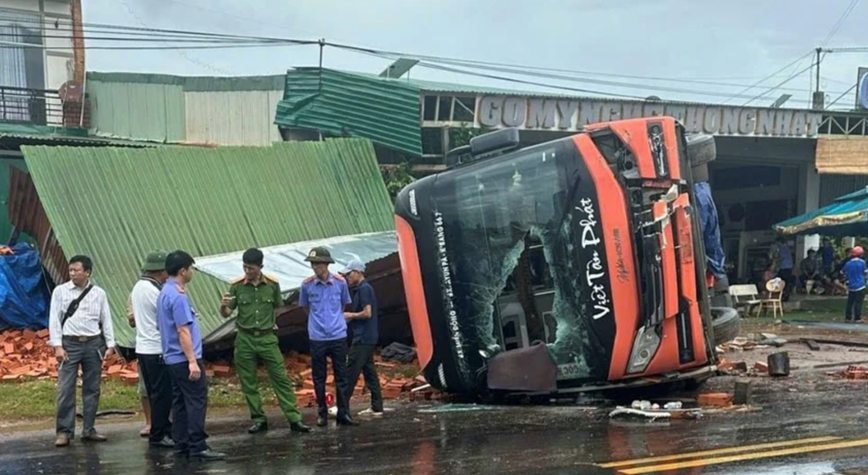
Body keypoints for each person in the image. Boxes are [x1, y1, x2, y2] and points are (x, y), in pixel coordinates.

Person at [219, 248, 311, 435]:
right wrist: (223, 307)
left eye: (251, 268)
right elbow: (227, 312)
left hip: (267, 337)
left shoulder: (272, 285)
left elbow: (278, 308)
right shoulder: (237, 286)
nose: (247, 272)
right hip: (244, 338)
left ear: (260, 267)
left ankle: (294, 418)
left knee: (280, 378)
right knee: (248, 381)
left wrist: (268, 324)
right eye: (245, 267)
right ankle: (258, 419)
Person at [157, 250, 224, 460]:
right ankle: (197, 444)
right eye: (191, 268)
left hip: (172, 358)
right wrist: (192, 361)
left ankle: (182, 443)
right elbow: (182, 330)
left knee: (180, 401)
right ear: (182, 270)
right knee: (196, 400)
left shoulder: (164, 292)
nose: (192, 271)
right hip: (184, 358)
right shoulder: (177, 297)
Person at [49, 255, 116, 447]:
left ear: (87, 272)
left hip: (93, 343)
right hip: (69, 343)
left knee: (92, 388)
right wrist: (57, 346)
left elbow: (106, 318)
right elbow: (54, 319)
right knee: (65, 388)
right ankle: (64, 431)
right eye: (71, 270)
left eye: (77, 270)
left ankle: (89, 429)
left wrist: (110, 344)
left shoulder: (99, 293)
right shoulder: (60, 292)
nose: (73, 273)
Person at [299, 247, 358, 427]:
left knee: (341, 376)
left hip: (338, 334)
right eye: (312, 264)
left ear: (326, 264)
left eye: (317, 263)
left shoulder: (340, 282)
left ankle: (343, 412)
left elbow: (342, 305)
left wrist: (334, 321)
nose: (315, 267)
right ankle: (322, 413)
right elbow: (305, 308)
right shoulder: (307, 285)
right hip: (317, 336)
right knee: (319, 377)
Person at [131, 251, 175, 448]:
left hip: (143, 347)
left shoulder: (139, 287)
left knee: (155, 391)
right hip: (156, 347)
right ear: (160, 271)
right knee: (161, 394)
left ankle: (162, 429)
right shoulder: (152, 291)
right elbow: (164, 317)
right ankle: (159, 433)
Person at [342, 259, 384, 418]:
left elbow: (367, 313)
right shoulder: (359, 289)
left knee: (350, 370)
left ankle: (342, 406)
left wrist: (350, 315)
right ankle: (377, 407)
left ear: (357, 272)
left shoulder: (364, 289)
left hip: (363, 337)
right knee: (369, 372)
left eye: (349, 274)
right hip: (367, 336)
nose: (347, 277)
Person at [126, 295, 151, 438]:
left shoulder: (168, 291)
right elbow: (131, 322)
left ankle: (169, 421)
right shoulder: (135, 294)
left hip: (167, 346)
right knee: (145, 388)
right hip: (145, 346)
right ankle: (149, 422)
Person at [843, 246, 868, 323]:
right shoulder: (862, 262)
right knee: (858, 302)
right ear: (860, 254)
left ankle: (848, 317)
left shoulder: (848, 263)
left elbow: (843, 272)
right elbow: (865, 273)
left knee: (850, 302)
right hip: (860, 285)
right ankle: (857, 318)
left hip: (851, 285)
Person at [771, 237, 795, 301]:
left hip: (784, 268)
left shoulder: (782, 249)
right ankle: (784, 295)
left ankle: (783, 295)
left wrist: (775, 264)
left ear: (779, 242)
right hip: (788, 268)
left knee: (780, 281)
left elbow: (780, 258)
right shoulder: (787, 248)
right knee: (785, 282)